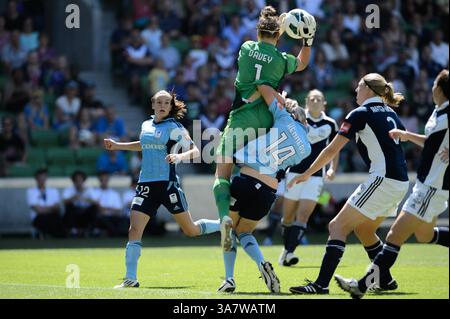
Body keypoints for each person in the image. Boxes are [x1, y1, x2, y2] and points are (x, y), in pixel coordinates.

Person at [288, 73, 409, 295]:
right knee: (364, 229)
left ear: (370, 90)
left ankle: (320, 285)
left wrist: (305, 173)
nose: (355, 90)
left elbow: (331, 150)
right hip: (399, 181)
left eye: (360, 85)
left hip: (383, 180)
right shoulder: (390, 111)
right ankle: (385, 280)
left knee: (336, 227)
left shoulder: (360, 113)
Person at [334, 69, 449, 299]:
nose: (431, 87)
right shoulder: (439, 112)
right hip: (426, 184)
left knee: (394, 235)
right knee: (425, 235)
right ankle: (372, 283)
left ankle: (361, 286)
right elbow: (433, 143)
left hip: (432, 187)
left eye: (434, 83)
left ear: (440, 88)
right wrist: (407, 136)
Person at [214, 6, 315, 252]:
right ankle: (260, 208)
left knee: (221, 175)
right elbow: (302, 63)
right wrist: (308, 39)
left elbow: (257, 68)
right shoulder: (281, 60)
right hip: (267, 121)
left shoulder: (247, 48)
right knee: (260, 167)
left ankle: (224, 218)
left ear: (258, 31)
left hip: (240, 119)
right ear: (279, 37)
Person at [104, 90, 220, 288]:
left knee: (190, 230)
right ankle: (130, 278)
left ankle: (222, 225)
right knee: (134, 229)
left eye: (166, 102)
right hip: (146, 184)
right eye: (159, 102)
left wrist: (179, 157)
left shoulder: (175, 127)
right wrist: (117, 146)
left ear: (170, 106)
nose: (163, 105)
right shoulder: (146, 124)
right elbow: (143, 145)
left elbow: (195, 150)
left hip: (167, 184)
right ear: (153, 104)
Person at [218, 97, 311, 293]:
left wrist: (281, 101)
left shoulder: (283, 119)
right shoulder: (306, 148)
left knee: (228, 229)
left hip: (247, 180)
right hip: (268, 191)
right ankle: (261, 263)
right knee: (243, 231)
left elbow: (268, 95)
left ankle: (229, 279)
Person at [279, 91, 339, 267]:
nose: (315, 101)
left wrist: (332, 168)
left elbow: (335, 149)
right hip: (294, 172)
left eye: (318, 99)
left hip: (315, 176)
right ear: (306, 101)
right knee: (288, 217)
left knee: (303, 215)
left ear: (324, 103)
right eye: (311, 99)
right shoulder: (297, 118)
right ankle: (286, 249)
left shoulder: (330, 124)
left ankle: (289, 252)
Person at [27, 168, 66, 238]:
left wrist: (44, 209)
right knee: (44, 219)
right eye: (40, 177)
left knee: (57, 218)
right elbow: (37, 210)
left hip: (52, 216)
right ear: (36, 179)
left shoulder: (53, 191)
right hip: (38, 217)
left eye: (44, 177)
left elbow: (57, 207)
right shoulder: (31, 191)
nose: (42, 180)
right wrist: (50, 209)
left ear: (46, 178)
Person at [62, 170, 97, 236]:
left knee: (94, 208)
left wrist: (86, 199)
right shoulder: (69, 189)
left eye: (80, 179)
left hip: (85, 213)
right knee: (69, 206)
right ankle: (72, 230)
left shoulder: (89, 189)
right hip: (74, 213)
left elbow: (96, 202)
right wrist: (74, 197)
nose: (79, 182)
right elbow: (64, 202)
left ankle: (92, 230)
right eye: (77, 180)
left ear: (83, 180)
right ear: (73, 181)